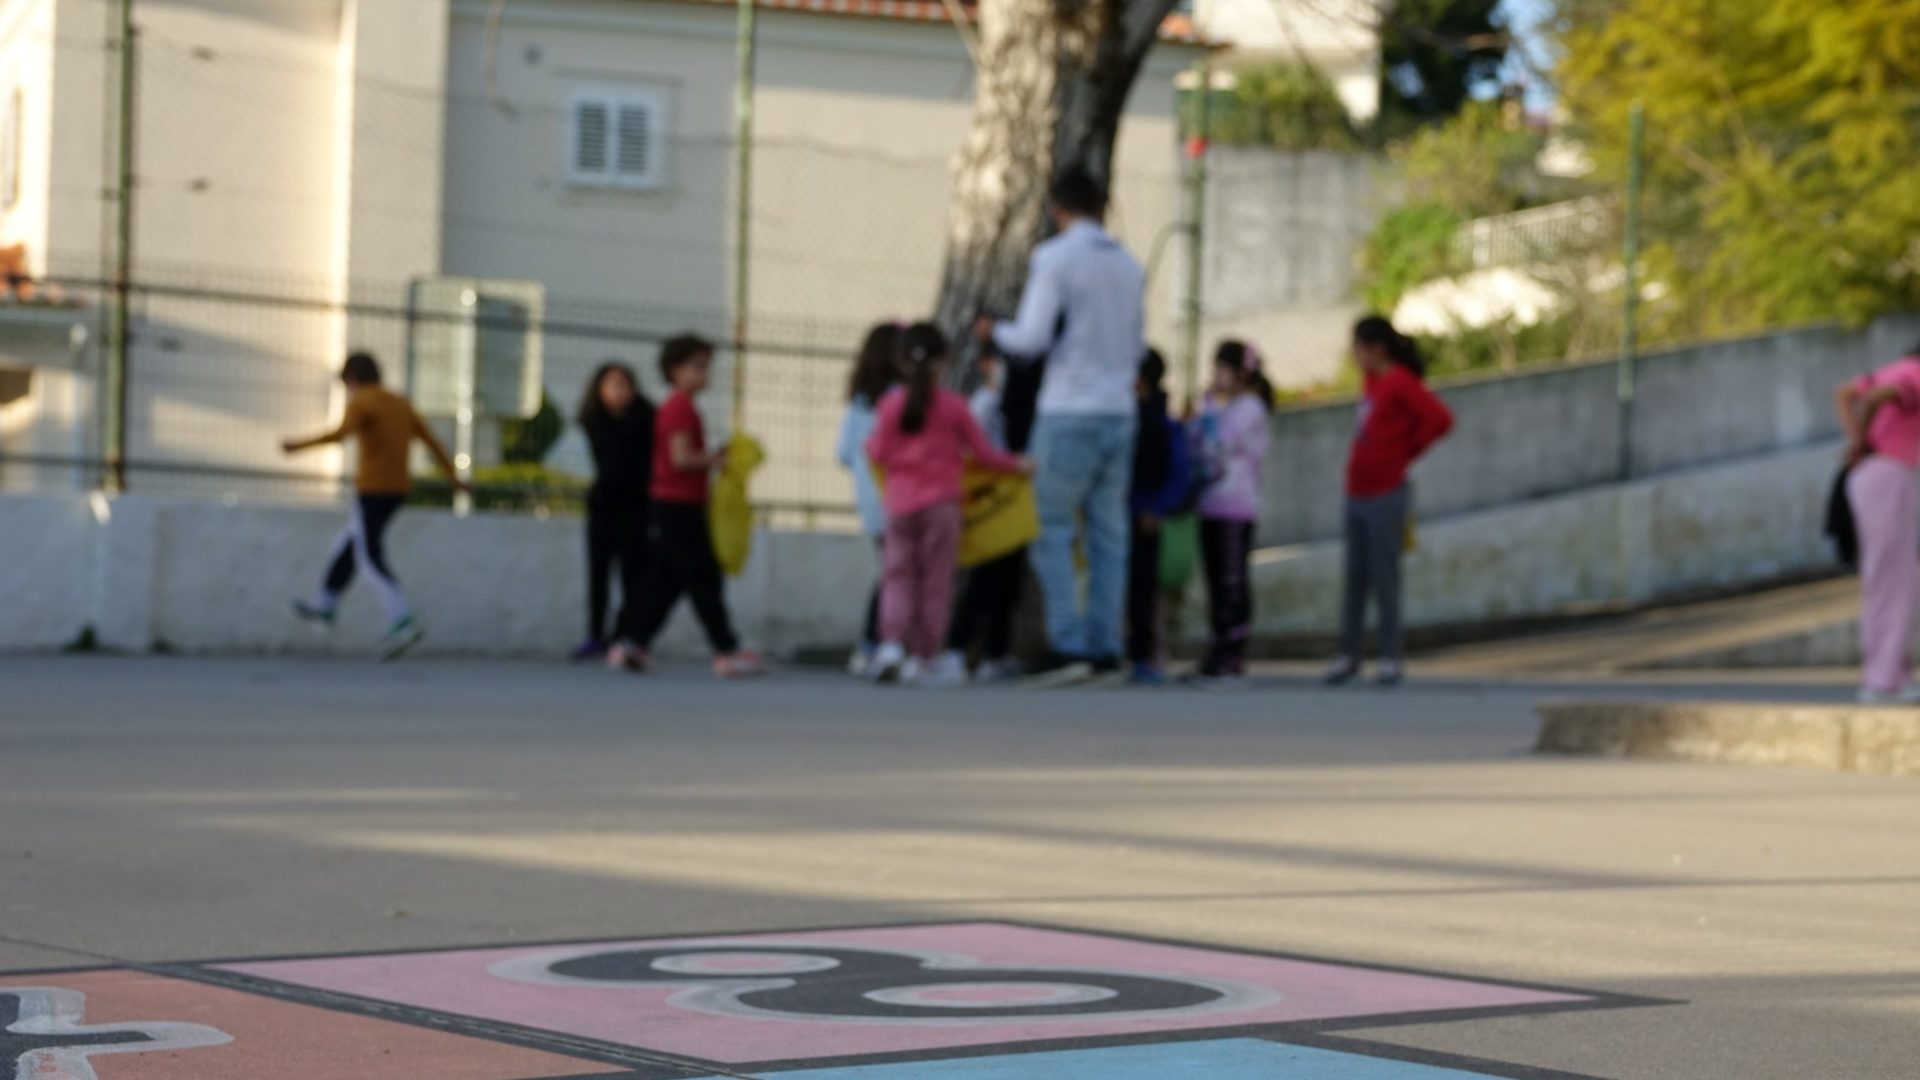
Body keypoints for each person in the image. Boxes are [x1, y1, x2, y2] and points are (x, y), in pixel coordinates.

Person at [975, 167, 1146, 687]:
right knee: (1108, 534)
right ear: (1101, 206)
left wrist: (992, 330)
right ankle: (1105, 645)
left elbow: (1028, 338)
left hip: (1070, 407)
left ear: (1057, 210)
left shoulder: (1055, 258)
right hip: (1120, 410)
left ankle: (1068, 641)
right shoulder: (1129, 264)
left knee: (1048, 523)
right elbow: (1136, 346)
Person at [866, 323, 1031, 686]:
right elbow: (985, 454)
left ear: (901, 360)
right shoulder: (954, 407)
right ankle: (925, 655)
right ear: (944, 361)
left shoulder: (891, 405)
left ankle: (891, 644)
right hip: (943, 505)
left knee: (897, 576)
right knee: (937, 581)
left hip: (900, 503)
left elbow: (876, 450)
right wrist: (1018, 464)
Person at [282, 351, 465, 660]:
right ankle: (324, 604)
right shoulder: (400, 403)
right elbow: (432, 441)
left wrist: (297, 446)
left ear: (352, 380)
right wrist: (454, 479)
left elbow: (340, 434)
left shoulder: (362, 401)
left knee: (368, 556)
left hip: (373, 491)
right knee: (350, 543)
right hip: (397, 491)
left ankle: (402, 619)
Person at [613, 334, 765, 678]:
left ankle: (632, 642)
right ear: (674, 370)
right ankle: (725, 649)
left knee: (667, 580)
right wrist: (717, 459)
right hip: (677, 504)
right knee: (703, 578)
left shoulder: (679, 406)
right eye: (696, 367)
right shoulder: (679, 407)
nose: (704, 374)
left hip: (678, 503)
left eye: (706, 367)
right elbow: (680, 458)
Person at [1326, 317, 1454, 687]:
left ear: (1376, 348)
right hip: (1358, 491)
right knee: (1355, 577)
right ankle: (1347, 654)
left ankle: (1389, 656)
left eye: (1358, 347)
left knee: (1384, 577)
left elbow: (1440, 419)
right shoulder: (1371, 383)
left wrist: (1406, 452)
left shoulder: (1399, 381)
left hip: (1386, 493)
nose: (1354, 355)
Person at [1834, 342, 1920, 704]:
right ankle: (1882, 680)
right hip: (1891, 474)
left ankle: (1892, 673)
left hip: (1877, 475)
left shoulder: (1894, 368)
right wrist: (1861, 440)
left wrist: (1858, 440)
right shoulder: (1914, 375)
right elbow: (1878, 398)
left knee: (1894, 576)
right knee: (1893, 578)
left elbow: (1844, 393)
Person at [1188, 342, 1275, 686]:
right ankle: (1216, 651)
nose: (1216, 377)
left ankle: (1232, 654)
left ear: (1241, 372)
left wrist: (1208, 410)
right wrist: (1207, 406)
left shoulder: (1250, 408)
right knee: (1215, 582)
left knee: (1232, 582)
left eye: (1221, 369)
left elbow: (1218, 442)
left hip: (1236, 508)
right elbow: (1196, 440)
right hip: (1211, 504)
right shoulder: (1224, 407)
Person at [574, 361, 656, 663]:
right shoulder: (595, 420)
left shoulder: (647, 418)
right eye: (613, 384)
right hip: (604, 506)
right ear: (600, 389)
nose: (621, 391)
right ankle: (596, 635)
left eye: (626, 384)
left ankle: (624, 635)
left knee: (633, 575)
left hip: (637, 508)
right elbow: (613, 461)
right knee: (598, 574)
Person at [836, 322, 903, 677]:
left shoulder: (859, 401)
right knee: (897, 573)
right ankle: (874, 642)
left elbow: (844, 453)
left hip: (870, 503)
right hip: (901, 499)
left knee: (891, 570)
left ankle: (877, 643)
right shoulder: (903, 398)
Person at [1127, 349, 1190, 685]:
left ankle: (1146, 655)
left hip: (1146, 517)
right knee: (1130, 587)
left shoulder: (1161, 423)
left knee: (1145, 590)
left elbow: (1177, 474)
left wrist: (1156, 507)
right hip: (1123, 514)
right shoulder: (1126, 415)